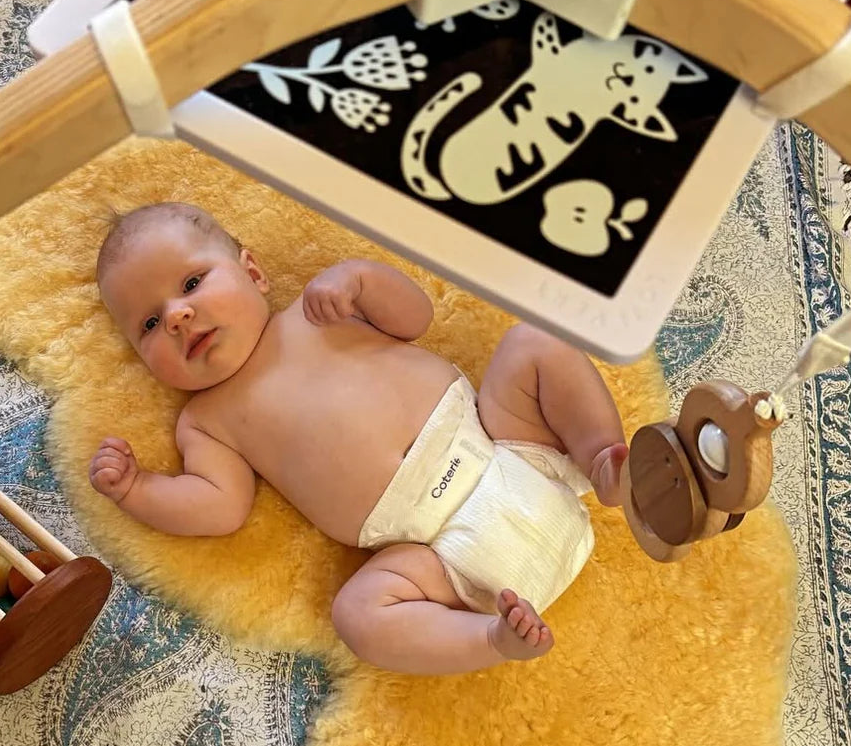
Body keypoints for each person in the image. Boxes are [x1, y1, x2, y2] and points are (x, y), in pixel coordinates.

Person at [90, 202, 628, 674]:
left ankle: (603, 457)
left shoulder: (318, 310)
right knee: (357, 615)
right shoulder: (206, 420)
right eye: (149, 325)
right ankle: (488, 639)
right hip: (438, 557)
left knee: (533, 341)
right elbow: (219, 506)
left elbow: (416, 318)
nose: (178, 316)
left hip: (508, 448)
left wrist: (359, 280)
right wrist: (137, 489)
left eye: (191, 284)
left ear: (252, 271)